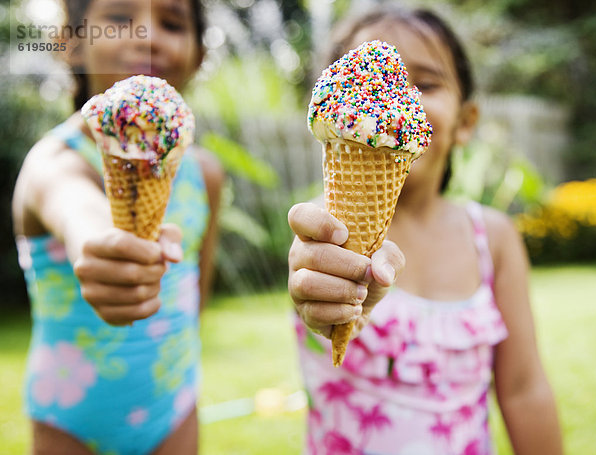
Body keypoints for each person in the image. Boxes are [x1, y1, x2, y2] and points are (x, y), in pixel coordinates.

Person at [288, 7, 563, 455]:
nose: (394, 99)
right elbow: (305, 273)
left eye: (426, 83)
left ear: (466, 121)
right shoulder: (320, 230)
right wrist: (317, 290)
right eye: (365, 82)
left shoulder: (492, 238)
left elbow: (523, 387)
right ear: (327, 107)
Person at [12, 0, 224, 454]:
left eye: (172, 23)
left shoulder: (204, 173)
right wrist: (98, 247)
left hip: (174, 404)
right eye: (120, 18)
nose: (147, 36)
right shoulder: (53, 163)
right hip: (70, 415)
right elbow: (77, 212)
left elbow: (194, 297)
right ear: (69, 43)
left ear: (199, 54)